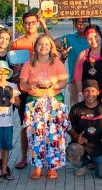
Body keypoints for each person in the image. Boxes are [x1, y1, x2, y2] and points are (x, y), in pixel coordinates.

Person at [19, 34, 70, 179]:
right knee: (36, 134)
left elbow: (63, 83)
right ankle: (37, 166)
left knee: (53, 134)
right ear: (35, 46)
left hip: (53, 101)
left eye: (47, 44)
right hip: (35, 102)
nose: (43, 47)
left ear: (51, 47)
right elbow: (22, 85)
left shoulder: (57, 63)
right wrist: (32, 86)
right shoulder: (28, 64)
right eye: (40, 44)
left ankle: (52, 166)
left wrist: (53, 84)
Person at [11, 11, 53, 169]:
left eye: (33, 22)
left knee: (46, 125)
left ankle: (47, 157)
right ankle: (24, 156)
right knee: (25, 125)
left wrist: (44, 25)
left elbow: (54, 52)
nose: (30, 25)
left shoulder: (44, 41)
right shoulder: (17, 44)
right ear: (23, 24)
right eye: (27, 22)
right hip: (26, 91)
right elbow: (14, 71)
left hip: (45, 92)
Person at [67, 80, 102, 178]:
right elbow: (68, 126)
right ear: (83, 92)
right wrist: (76, 136)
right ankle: (81, 164)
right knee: (71, 149)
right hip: (82, 145)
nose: (90, 94)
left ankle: (98, 162)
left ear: (98, 92)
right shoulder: (76, 108)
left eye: (93, 90)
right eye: (87, 91)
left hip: (99, 147)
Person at [0, 61, 20, 181]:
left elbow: (18, 103)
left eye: (4, 71)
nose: (2, 74)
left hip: (8, 122)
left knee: (6, 146)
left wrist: (13, 101)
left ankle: (5, 169)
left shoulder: (13, 86)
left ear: (8, 73)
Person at [72, 25, 102, 99]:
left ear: (100, 36)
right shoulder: (83, 54)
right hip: (88, 96)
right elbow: (77, 77)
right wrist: (80, 94)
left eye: (95, 36)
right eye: (89, 38)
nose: (93, 40)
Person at [59, 18, 92, 103]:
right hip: (75, 82)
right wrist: (43, 25)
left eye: (85, 21)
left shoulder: (96, 36)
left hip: (94, 81)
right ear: (74, 24)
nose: (82, 25)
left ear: (89, 22)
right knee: (76, 110)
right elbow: (50, 42)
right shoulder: (69, 38)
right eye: (79, 22)